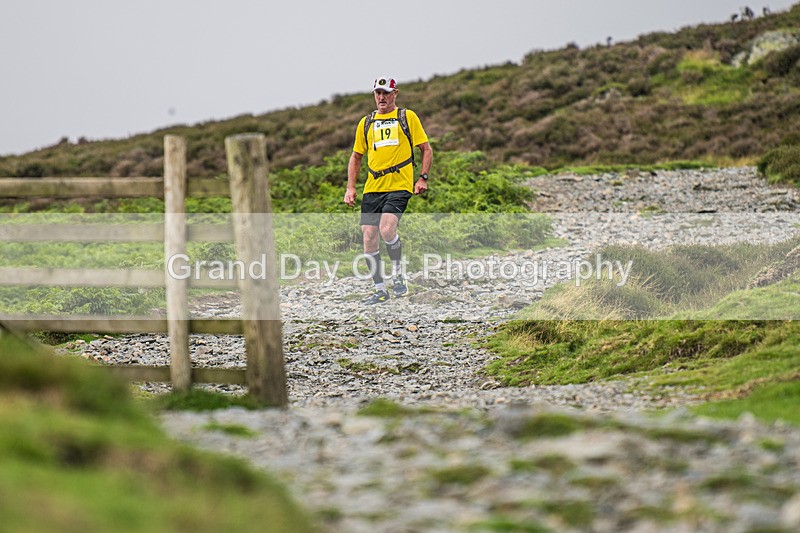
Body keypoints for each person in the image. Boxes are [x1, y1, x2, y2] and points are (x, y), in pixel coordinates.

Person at [344, 76, 433, 305]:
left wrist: (422, 178)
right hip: (373, 186)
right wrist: (350, 187)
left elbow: (426, 148)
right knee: (368, 236)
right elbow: (356, 156)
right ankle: (380, 290)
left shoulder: (407, 117)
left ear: (395, 94)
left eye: (386, 93)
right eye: (378, 93)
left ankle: (398, 274)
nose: (381, 97)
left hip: (400, 184)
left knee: (386, 229)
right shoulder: (366, 122)